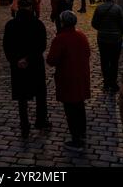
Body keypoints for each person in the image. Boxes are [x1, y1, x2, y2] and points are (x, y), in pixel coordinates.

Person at [3, 0, 51, 138]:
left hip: (18, 67)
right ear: (30, 8)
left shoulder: (11, 25)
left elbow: (7, 46)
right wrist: (28, 58)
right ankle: (40, 121)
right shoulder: (37, 24)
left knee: (22, 98)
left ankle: (24, 125)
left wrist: (16, 60)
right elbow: (41, 46)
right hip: (35, 64)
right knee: (40, 94)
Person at [47, 10, 90, 152]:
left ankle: (76, 140)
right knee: (79, 105)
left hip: (68, 77)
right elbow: (88, 52)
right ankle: (82, 132)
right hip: (81, 76)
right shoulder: (81, 35)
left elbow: (51, 60)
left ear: (63, 22)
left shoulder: (61, 39)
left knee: (71, 109)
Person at [92, 0, 123, 92]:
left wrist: (102, 29)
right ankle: (113, 82)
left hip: (103, 39)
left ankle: (106, 82)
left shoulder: (99, 8)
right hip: (116, 39)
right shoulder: (118, 8)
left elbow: (94, 23)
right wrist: (118, 31)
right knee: (114, 61)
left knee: (104, 60)